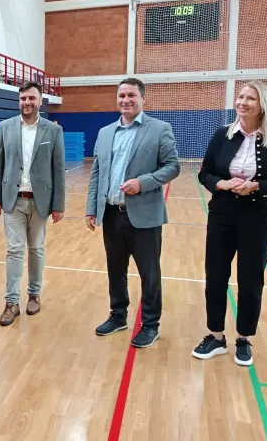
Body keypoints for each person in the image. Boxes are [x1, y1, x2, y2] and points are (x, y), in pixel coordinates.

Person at [192, 81, 267, 366]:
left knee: (250, 280)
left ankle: (244, 338)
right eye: (240, 97)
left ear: (262, 104)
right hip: (222, 214)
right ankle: (215, 336)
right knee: (215, 276)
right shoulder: (222, 135)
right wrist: (221, 183)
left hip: (259, 217)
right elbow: (205, 174)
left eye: (250, 98)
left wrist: (258, 186)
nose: (242, 102)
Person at [85, 77, 180, 348]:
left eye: (131, 95)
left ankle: (150, 324)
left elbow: (173, 166)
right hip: (111, 214)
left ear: (142, 99)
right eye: (122, 95)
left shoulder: (159, 129)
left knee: (149, 273)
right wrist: (91, 208)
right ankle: (118, 315)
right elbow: (97, 172)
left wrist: (143, 182)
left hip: (145, 215)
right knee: (115, 270)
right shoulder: (105, 132)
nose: (126, 100)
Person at [0, 81, 66, 327]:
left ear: (40, 101)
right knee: (14, 250)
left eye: (32, 98)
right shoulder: (5, 127)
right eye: (23, 98)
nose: (27, 102)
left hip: (40, 201)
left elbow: (58, 169)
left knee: (36, 249)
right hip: (12, 200)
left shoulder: (53, 131)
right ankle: (11, 302)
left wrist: (59, 204)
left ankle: (34, 294)